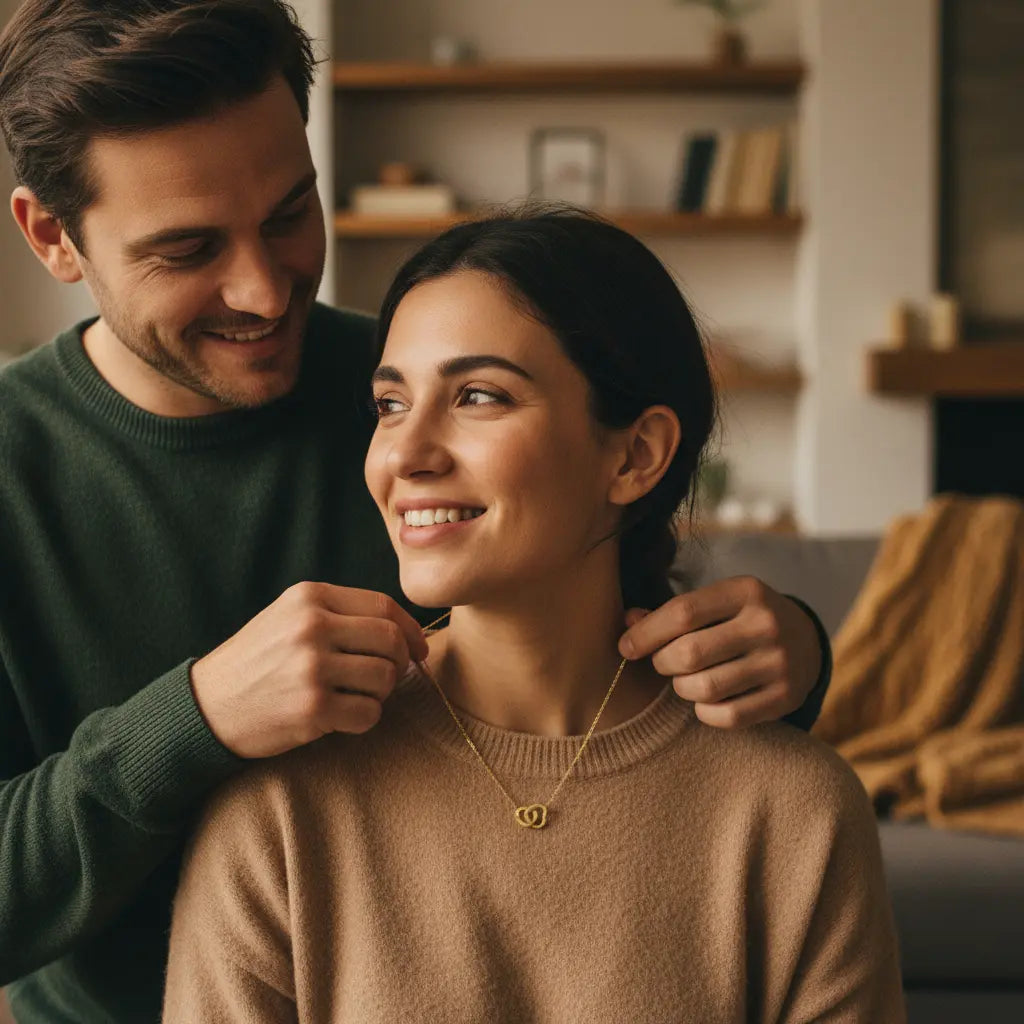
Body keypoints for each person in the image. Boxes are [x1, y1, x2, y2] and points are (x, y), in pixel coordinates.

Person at [0, 3, 833, 1022]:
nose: (264, 292)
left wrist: (787, 654)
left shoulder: (411, 388)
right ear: (52, 236)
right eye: (187, 250)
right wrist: (196, 718)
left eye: (288, 215)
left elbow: (617, 666)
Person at [161, 209, 905, 1022]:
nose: (406, 455)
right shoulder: (282, 810)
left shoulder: (796, 812)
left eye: (478, 396)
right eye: (389, 404)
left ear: (635, 456)